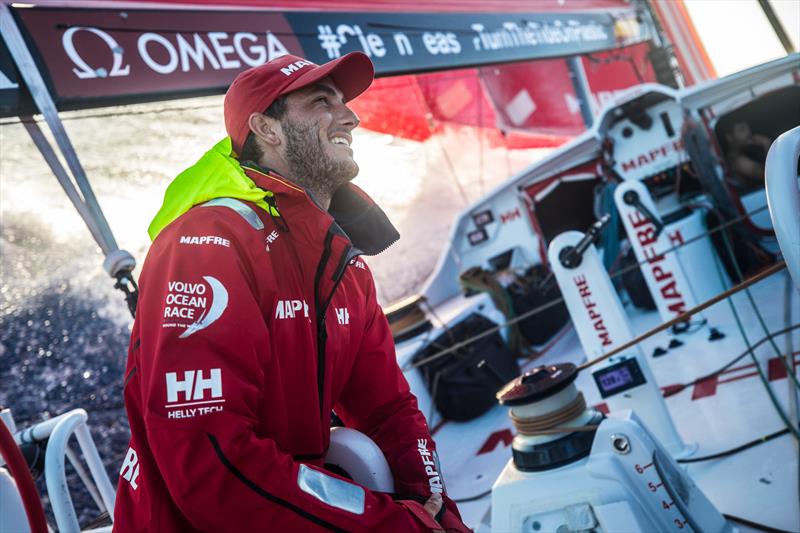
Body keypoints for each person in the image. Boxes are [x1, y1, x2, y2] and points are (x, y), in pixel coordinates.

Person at [112, 52, 470, 532]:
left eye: (344, 102)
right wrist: (389, 524)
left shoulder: (342, 263)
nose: (351, 116)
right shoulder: (209, 243)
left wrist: (438, 511)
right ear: (267, 128)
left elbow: (388, 411)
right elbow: (210, 463)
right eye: (322, 102)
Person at [723, 120, 772, 189]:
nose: (749, 132)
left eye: (748, 128)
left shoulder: (746, 152)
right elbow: (771, 176)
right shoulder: (739, 162)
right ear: (729, 137)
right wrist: (767, 144)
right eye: (742, 130)